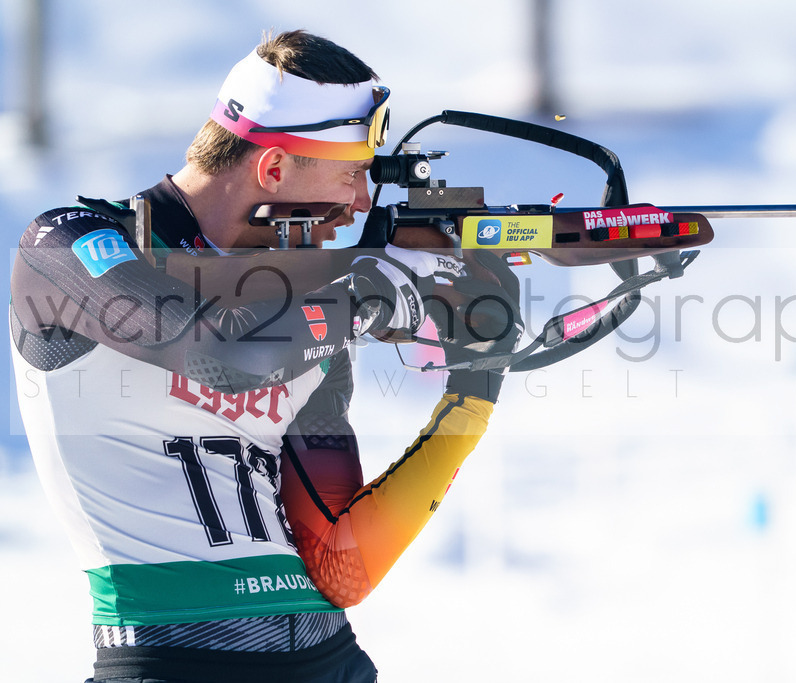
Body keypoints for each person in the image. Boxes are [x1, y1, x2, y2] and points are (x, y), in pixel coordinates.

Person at [10, 30, 521, 683]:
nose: (363, 202)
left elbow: (342, 565)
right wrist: (374, 286)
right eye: (353, 173)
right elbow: (221, 352)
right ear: (274, 169)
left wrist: (472, 393)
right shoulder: (67, 246)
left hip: (332, 660)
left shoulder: (307, 300)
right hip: (172, 663)